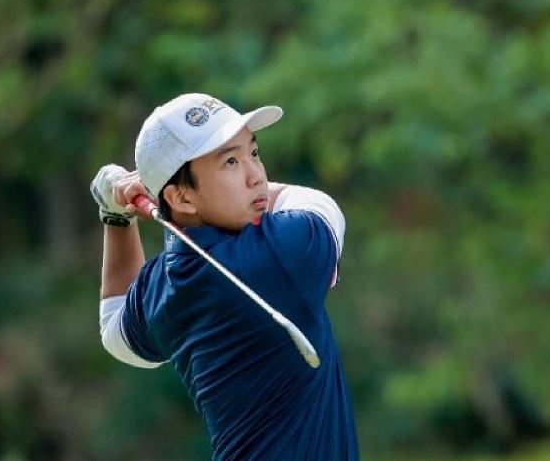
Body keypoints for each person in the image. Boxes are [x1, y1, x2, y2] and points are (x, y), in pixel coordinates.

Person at [90, 93, 360, 460]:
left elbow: (114, 331)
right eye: (231, 162)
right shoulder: (280, 252)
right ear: (181, 198)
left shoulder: (160, 284)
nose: (257, 176)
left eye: (254, 153)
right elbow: (322, 206)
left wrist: (115, 216)